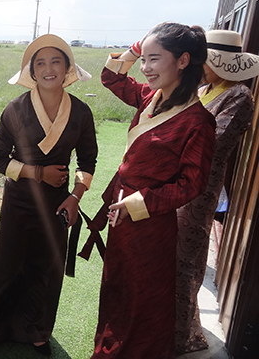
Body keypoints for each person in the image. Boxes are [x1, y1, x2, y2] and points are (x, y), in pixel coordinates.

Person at [81, 22, 216, 359]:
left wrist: (138, 204)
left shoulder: (198, 121)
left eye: (154, 59)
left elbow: (192, 183)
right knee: (117, 287)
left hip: (150, 223)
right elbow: (111, 78)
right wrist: (134, 48)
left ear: (183, 61)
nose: (144, 68)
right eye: (143, 59)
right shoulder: (149, 97)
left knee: (143, 296)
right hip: (121, 213)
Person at [0, 34, 98, 358]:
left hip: (57, 202)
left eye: (56, 61)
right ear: (32, 72)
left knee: (46, 266)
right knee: (5, 262)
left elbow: (88, 161)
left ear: (68, 68)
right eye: (41, 63)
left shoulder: (81, 112)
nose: (49, 69)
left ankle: (36, 329)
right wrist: (37, 173)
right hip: (18, 201)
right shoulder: (16, 109)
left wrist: (75, 197)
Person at [175, 30, 258, 354]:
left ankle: (181, 333)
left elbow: (214, 142)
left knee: (186, 257)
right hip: (177, 180)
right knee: (170, 252)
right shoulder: (204, 88)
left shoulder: (240, 96)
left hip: (201, 186)